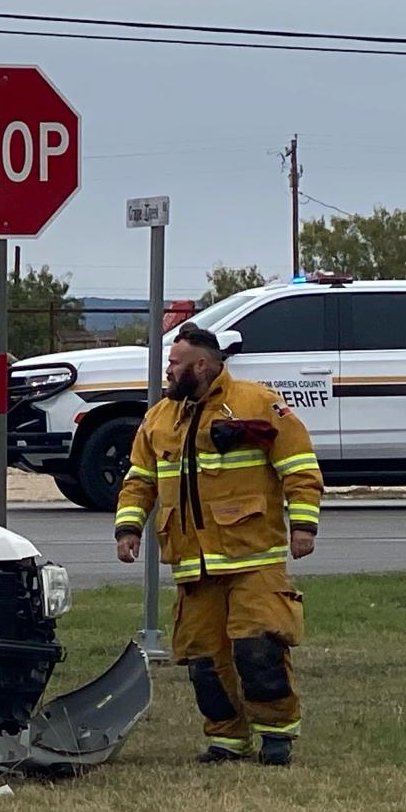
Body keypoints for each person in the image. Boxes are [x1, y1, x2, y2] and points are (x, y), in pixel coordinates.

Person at [115, 323, 323, 766]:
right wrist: (127, 528)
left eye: (175, 364)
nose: (168, 372)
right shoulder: (158, 420)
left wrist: (303, 526)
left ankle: (276, 736)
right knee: (204, 661)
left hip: (253, 559)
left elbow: (300, 468)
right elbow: (139, 481)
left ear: (202, 366)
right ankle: (227, 739)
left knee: (259, 648)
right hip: (193, 565)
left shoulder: (255, 403)